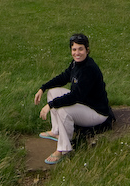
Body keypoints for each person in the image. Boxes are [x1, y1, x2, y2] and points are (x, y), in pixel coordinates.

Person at [34, 33, 113, 165]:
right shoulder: (76, 64)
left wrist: (50, 105)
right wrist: (43, 88)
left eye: (80, 49)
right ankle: (56, 132)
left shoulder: (88, 69)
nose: (77, 53)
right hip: (84, 104)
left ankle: (64, 148)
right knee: (52, 92)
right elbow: (63, 77)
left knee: (63, 110)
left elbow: (75, 96)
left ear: (87, 50)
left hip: (97, 112)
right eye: (74, 49)